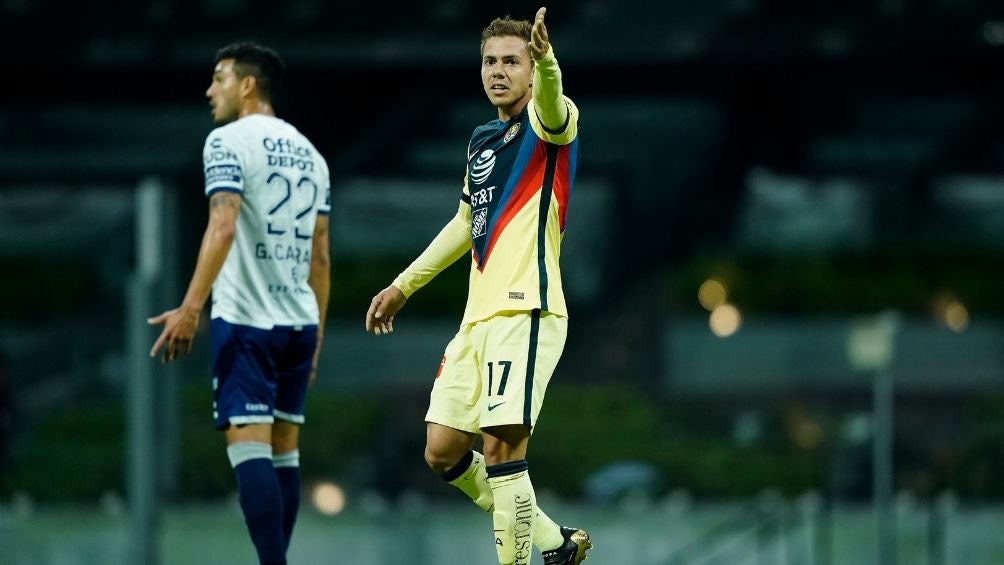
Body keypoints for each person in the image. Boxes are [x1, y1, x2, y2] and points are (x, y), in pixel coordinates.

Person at [365, 7, 591, 565]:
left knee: (501, 451)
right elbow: (467, 222)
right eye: (490, 61)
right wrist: (403, 285)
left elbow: (552, 103)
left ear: (530, 69)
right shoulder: (482, 140)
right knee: (442, 450)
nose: (498, 71)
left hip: (526, 310)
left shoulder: (551, 125)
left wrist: (547, 61)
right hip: (476, 320)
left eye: (512, 61)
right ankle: (554, 543)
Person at [148, 42, 330, 565]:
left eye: (219, 78)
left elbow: (223, 225)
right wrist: (317, 336)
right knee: (284, 451)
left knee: (248, 446)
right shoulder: (311, 155)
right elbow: (320, 255)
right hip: (299, 322)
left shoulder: (226, 141)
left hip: (248, 319)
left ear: (248, 85)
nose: (210, 90)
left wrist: (190, 308)